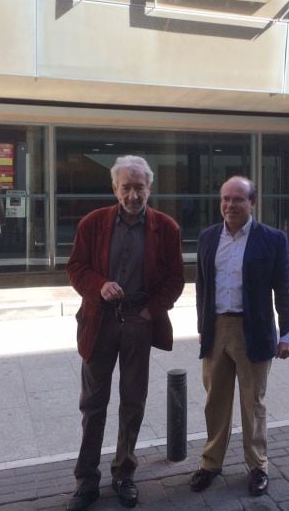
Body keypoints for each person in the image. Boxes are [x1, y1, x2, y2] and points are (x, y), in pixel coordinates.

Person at [65, 155, 185, 510]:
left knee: (133, 402)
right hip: (99, 321)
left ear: (150, 188)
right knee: (93, 404)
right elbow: (75, 267)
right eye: (126, 187)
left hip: (138, 322)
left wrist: (151, 311)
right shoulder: (93, 224)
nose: (133, 194)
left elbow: (175, 279)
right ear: (114, 188)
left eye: (140, 187)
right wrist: (99, 285)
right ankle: (86, 480)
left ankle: (124, 473)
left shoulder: (166, 228)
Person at [190, 176, 289, 497]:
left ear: (252, 203)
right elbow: (201, 288)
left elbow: (284, 288)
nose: (230, 205)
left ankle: (257, 465)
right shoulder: (208, 238)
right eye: (225, 199)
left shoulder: (273, 239)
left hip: (254, 330)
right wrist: (202, 328)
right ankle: (211, 463)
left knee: (253, 403)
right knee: (215, 402)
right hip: (216, 329)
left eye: (238, 199)